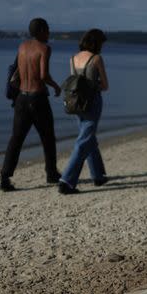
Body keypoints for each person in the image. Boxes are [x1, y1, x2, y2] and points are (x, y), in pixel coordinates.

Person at [0, 18, 62, 192]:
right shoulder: (44, 48)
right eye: (48, 29)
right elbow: (43, 75)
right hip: (38, 98)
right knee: (48, 137)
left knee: (16, 138)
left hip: (21, 98)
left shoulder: (22, 47)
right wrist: (57, 86)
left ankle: (4, 178)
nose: (49, 32)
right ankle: (51, 173)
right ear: (41, 30)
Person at [57, 28, 109, 195]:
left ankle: (98, 176)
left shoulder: (72, 58)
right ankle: (66, 181)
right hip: (92, 102)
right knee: (84, 139)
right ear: (97, 43)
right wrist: (94, 84)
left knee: (88, 137)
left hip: (76, 103)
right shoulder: (96, 58)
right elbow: (105, 86)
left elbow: (74, 82)